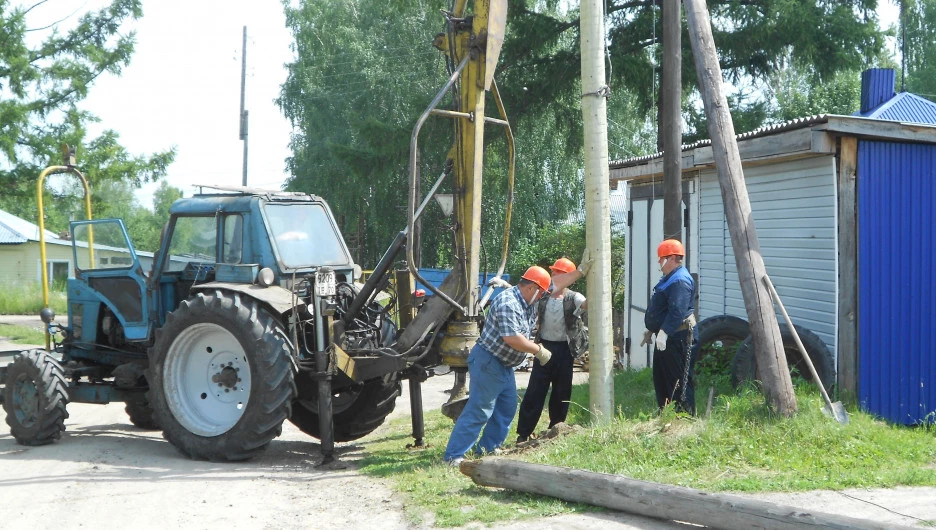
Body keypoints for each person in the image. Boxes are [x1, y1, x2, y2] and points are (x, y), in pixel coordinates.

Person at [442, 266, 553, 466]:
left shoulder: (525, 302)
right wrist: (538, 350)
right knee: (480, 410)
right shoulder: (508, 302)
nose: (541, 298)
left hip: (503, 365)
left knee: (506, 408)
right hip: (489, 361)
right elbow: (512, 338)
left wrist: (577, 272)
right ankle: (453, 456)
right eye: (541, 293)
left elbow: (557, 287)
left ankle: (487, 449)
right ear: (532, 288)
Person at [515, 255, 591, 443]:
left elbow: (587, 304)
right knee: (535, 391)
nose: (553, 274)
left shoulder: (574, 297)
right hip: (544, 347)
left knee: (561, 392)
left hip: (565, 351)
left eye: (557, 271)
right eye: (553, 271)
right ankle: (524, 433)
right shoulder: (543, 294)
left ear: (568, 276)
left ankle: (556, 429)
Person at [643, 239, 699, 415]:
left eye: (662, 258)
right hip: (668, 336)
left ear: (673, 258)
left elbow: (677, 311)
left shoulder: (679, 281)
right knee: (662, 378)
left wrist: (664, 332)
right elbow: (664, 308)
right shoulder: (670, 278)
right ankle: (666, 414)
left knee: (678, 381)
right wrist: (652, 329)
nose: (659, 262)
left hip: (678, 338)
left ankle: (685, 418)